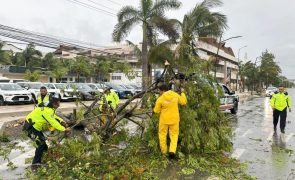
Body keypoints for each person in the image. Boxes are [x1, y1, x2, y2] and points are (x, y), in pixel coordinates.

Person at [23, 94, 70, 168]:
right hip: (30, 128)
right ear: (54, 103)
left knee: (43, 144)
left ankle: (45, 157)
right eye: (58, 103)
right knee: (40, 145)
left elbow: (53, 116)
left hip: (35, 127)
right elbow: (53, 122)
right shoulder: (47, 110)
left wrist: (61, 121)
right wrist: (64, 129)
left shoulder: (49, 108)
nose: (59, 105)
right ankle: (36, 163)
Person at [153, 84, 187, 159]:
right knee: (174, 135)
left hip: (164, 120)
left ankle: (164, 152)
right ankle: (172, 151)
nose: (159, 92)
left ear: (163, 90)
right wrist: (183, 93)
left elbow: (156, 111)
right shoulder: (175, 95)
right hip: (174, 120)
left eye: (159, 91)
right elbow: (183, 102)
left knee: (162, 135)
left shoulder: (160, 99)